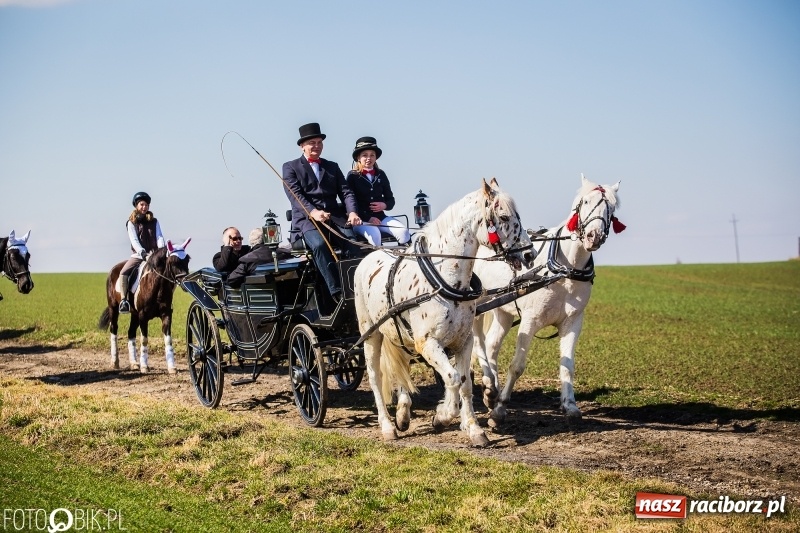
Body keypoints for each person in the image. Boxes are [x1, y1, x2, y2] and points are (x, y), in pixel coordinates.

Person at [282, 122, 361, 303]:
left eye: (319, 142)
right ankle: (336, 291)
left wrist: (352, 212)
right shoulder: (290, 167)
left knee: (354, 243)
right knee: (319, 246)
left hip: (335, 218)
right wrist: (313, 212)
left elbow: (346, 192)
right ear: (302, 146)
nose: (317, 146)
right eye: (312, 143)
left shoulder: (332, 166)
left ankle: (355, 285)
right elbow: (295, 195)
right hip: (307, 221)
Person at [346, 136, 411, 246]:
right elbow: (350, 202)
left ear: (376, 157)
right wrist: (368, 218)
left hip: (381, 218)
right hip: (361, 221)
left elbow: (391, 200)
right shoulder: (352, 176)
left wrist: (384, 205)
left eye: (372, 155)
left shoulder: (381, 174)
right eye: (365, 155)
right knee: (375, 235)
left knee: (403, 231)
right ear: (358, 157)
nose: (368, 158)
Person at [118, 191, 165, 314]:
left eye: (146, 205)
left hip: (154, 255)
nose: (144, 207)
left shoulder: (154, 221)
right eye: (142, 205)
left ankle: (166, 299)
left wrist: (162, 250)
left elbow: (159, 236)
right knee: (123, 272)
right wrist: (142, 253)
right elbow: (134, 240)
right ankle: (124, 300)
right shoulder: (131, 222)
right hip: (139, 256)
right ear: (136, 206)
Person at [227, 228, 292, 288]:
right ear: (268, 239)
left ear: (251, 242)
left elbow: (231, 281)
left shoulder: (247, 260)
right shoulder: (285, 253)